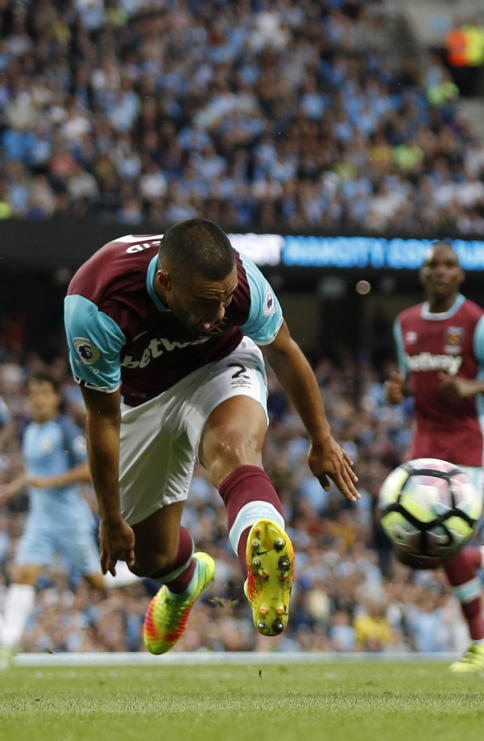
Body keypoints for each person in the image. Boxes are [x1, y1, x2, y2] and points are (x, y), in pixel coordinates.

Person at [63, 218, 358, 655]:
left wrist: (321, 438)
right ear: (165, 282)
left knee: (232, 448)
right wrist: (109, 517)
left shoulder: (240, 283)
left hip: (220, 368)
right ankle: (185, 580)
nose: (220, 314)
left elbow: (284, 350)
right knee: (148, 558)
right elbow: (103, 418)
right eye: (207, 303)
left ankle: (265, 556)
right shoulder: (97, 305)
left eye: (224, 300)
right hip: (143, 398)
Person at [384, 241, 484, 672]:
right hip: (424, 444)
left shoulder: (477, 322)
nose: (440, 272)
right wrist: (400, 391)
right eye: (433, 265)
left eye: (449, 265)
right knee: (409, 551)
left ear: (460, 275)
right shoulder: (405, 323)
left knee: (445, 542)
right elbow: (413, 382)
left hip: (466, 444)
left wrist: (473, 387)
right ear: (423, 273)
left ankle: (481, 644)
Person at [0, 371, 106, 666]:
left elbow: (88, 470)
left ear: (56, 398)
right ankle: (8, 645)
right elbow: (35, 471)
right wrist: (14, 486)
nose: (37, 399)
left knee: (97, 582)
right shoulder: (31, 432)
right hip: (40, 521)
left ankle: (148, 574)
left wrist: (51, 482)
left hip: (70, 520)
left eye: (44, 393)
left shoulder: (65, 430)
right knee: (23, 575)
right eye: (33, 393)